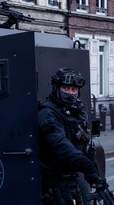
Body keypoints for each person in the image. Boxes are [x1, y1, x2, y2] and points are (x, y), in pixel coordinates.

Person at [38, 68, 101, 205]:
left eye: (74, 89)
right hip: (56, 181)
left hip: (72, 178)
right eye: (66, 88)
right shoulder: (48, 113)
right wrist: (88, 168)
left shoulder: (73, 111)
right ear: (57, 88)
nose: (70, 93)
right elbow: (62, 146)